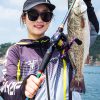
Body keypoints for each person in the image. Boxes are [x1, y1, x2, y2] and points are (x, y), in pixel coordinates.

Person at [0, 0, 99, 100]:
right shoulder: (16, 51)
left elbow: (90, 32)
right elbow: (4, 87)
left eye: (45, 15)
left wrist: (87, 4)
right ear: (24, 18)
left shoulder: (64, 45)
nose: (39, 20)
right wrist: (23, 87)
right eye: (33, 14)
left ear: (50, 19)